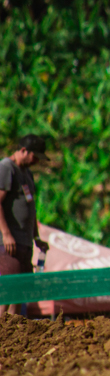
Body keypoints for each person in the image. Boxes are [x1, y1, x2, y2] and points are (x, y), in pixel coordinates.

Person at [0, 135, 51, 315]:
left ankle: (14, 335)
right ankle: (5, 336)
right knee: (9, 292)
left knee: (20, 291)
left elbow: (31, 209)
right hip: (8, 243)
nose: (36, 161)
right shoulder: (6, 168)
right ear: (23, 151)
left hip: (24, 241)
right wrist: (6, 234)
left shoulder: (27, 174)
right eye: (34, 156)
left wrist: (36, 237)